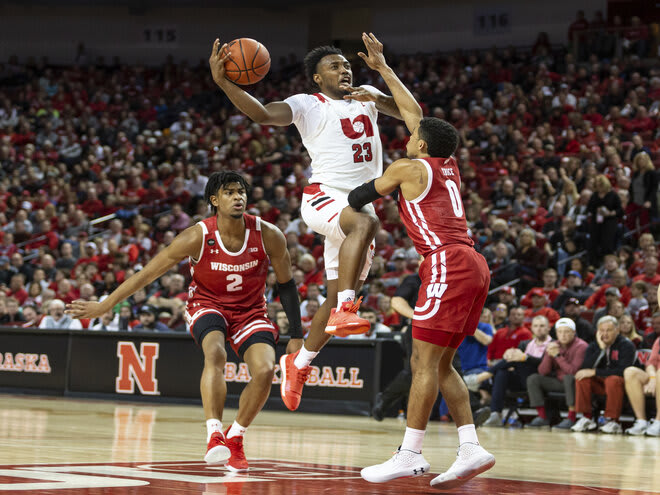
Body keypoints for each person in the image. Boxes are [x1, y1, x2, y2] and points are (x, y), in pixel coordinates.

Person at [209, 34, 414, 412]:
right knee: (365, 225)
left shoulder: (366, 93)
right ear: (317, 79)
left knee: (335, 290)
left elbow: (409, 114)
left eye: (347, 65)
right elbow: (261, 113)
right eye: (334, 66)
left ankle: (298, 363)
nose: (345, 69)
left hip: (360, 199)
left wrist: (381, 78)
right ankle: (348, 310)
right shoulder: (307, 104)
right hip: (326, 195)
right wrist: (224, 81)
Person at [66, 171, 304, 472]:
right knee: (215, 354)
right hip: (208, 305)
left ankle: (235, 437)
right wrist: (105, 305)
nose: (238, 197)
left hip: (251, 311)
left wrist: (296, 334)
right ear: (214, 200)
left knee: (266, 369)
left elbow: (287, 284)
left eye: (241, 191)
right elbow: (147, 274)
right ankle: (214, 434)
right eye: (229, 192)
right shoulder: (197, 235)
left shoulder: (268, 234)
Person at [347, 34, 494, 489]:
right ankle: (470, 447)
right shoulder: (444, 163)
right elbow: (416, 114)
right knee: (443, 363)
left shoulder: (409, 168)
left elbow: (359, 196)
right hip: (472, 262)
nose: (407, 135)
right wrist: (383, 69)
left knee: (423, 362)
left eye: (412, 137)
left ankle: (409, 453)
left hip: (446, 262)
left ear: (420, 144)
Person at [571, 316, 636, 434]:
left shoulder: (626, 345)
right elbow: (585, 368)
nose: (605, 334)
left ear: (617, 330)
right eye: (602, 330)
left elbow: (623, 371)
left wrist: (596, 372)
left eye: (609, 330)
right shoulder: (594, 345)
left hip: (622, 385)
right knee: (582, 378)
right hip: (602, 384)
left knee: (613, 380)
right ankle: (587, 417)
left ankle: (613, 421)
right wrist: (600, 349)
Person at [526, 317, 588, 429]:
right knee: (534, 379)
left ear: (574, 333)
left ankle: (571, 418)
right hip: (559, 381)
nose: (563, 335)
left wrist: (557, 356)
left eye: (566, 332)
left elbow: (573, 371)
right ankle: (542, 417)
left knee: (569, 378)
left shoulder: (581, 346)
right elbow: (543, 372)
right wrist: (549, 354)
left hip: (576, 383)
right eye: (560, 332)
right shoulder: (554, 344)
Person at [623, 334, 660, 436]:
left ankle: (658, 422)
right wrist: (653, 379)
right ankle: (641, 422)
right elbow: (650, 364)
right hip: (657, 377)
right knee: (630, 372)